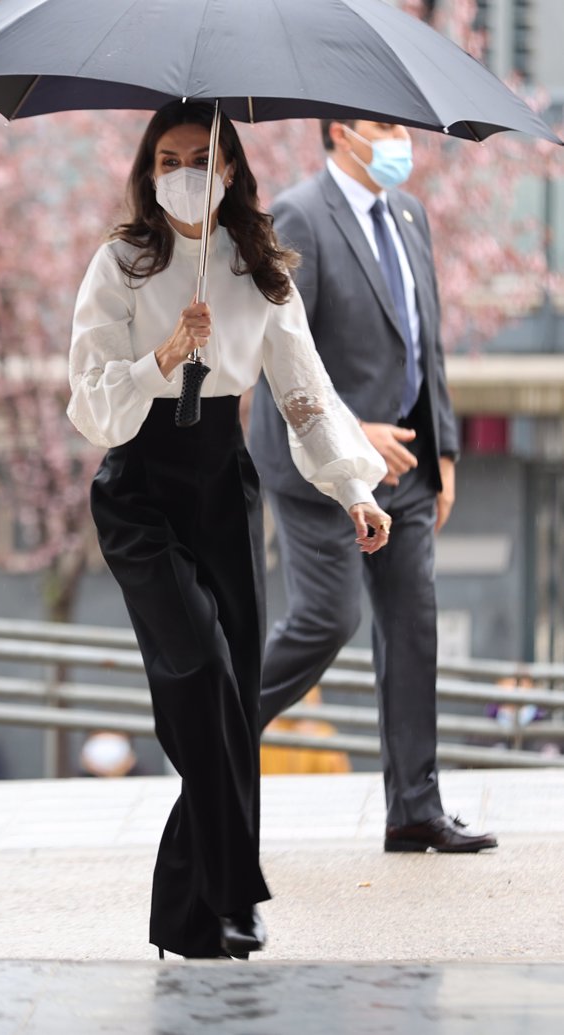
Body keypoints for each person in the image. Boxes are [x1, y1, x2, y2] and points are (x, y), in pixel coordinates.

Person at [67, 100, 391, 960]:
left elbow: (303, 391)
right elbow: (92, 406)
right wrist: (164, 354)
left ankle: (202, 915)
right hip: (139, 489)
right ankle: (232, 892)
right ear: (145, 171)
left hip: (223, 484)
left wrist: (353, 487)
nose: (181, 172)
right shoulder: (119, 264)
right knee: (200, 676)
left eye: (196, 158)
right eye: (165, 158)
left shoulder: (259, 270)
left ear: (231, 170)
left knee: (234, 697)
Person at [250, 118, 498, 854]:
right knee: (329, 620)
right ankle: (214, 722)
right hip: (321, 467)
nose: (398, 140)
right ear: (340, 132)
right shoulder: (299, 214)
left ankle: (415, 808)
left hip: (408, 467)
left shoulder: (410, 215)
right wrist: (354, 433)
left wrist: (445, 451)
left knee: (413, 628)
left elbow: (428, 342)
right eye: (383, 127)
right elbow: (280, 356)